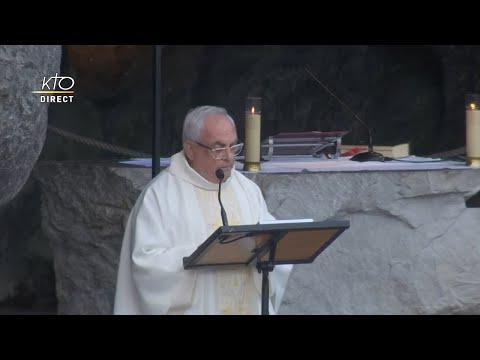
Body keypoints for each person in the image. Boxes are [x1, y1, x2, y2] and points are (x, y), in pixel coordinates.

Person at [113, 105, 292, 315]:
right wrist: (202, 252)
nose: (229, 157)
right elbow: (147, 265)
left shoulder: (247, 190)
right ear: (190, 149)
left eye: (234, 146)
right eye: (218, 148)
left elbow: (272, 247)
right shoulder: (160, 196)